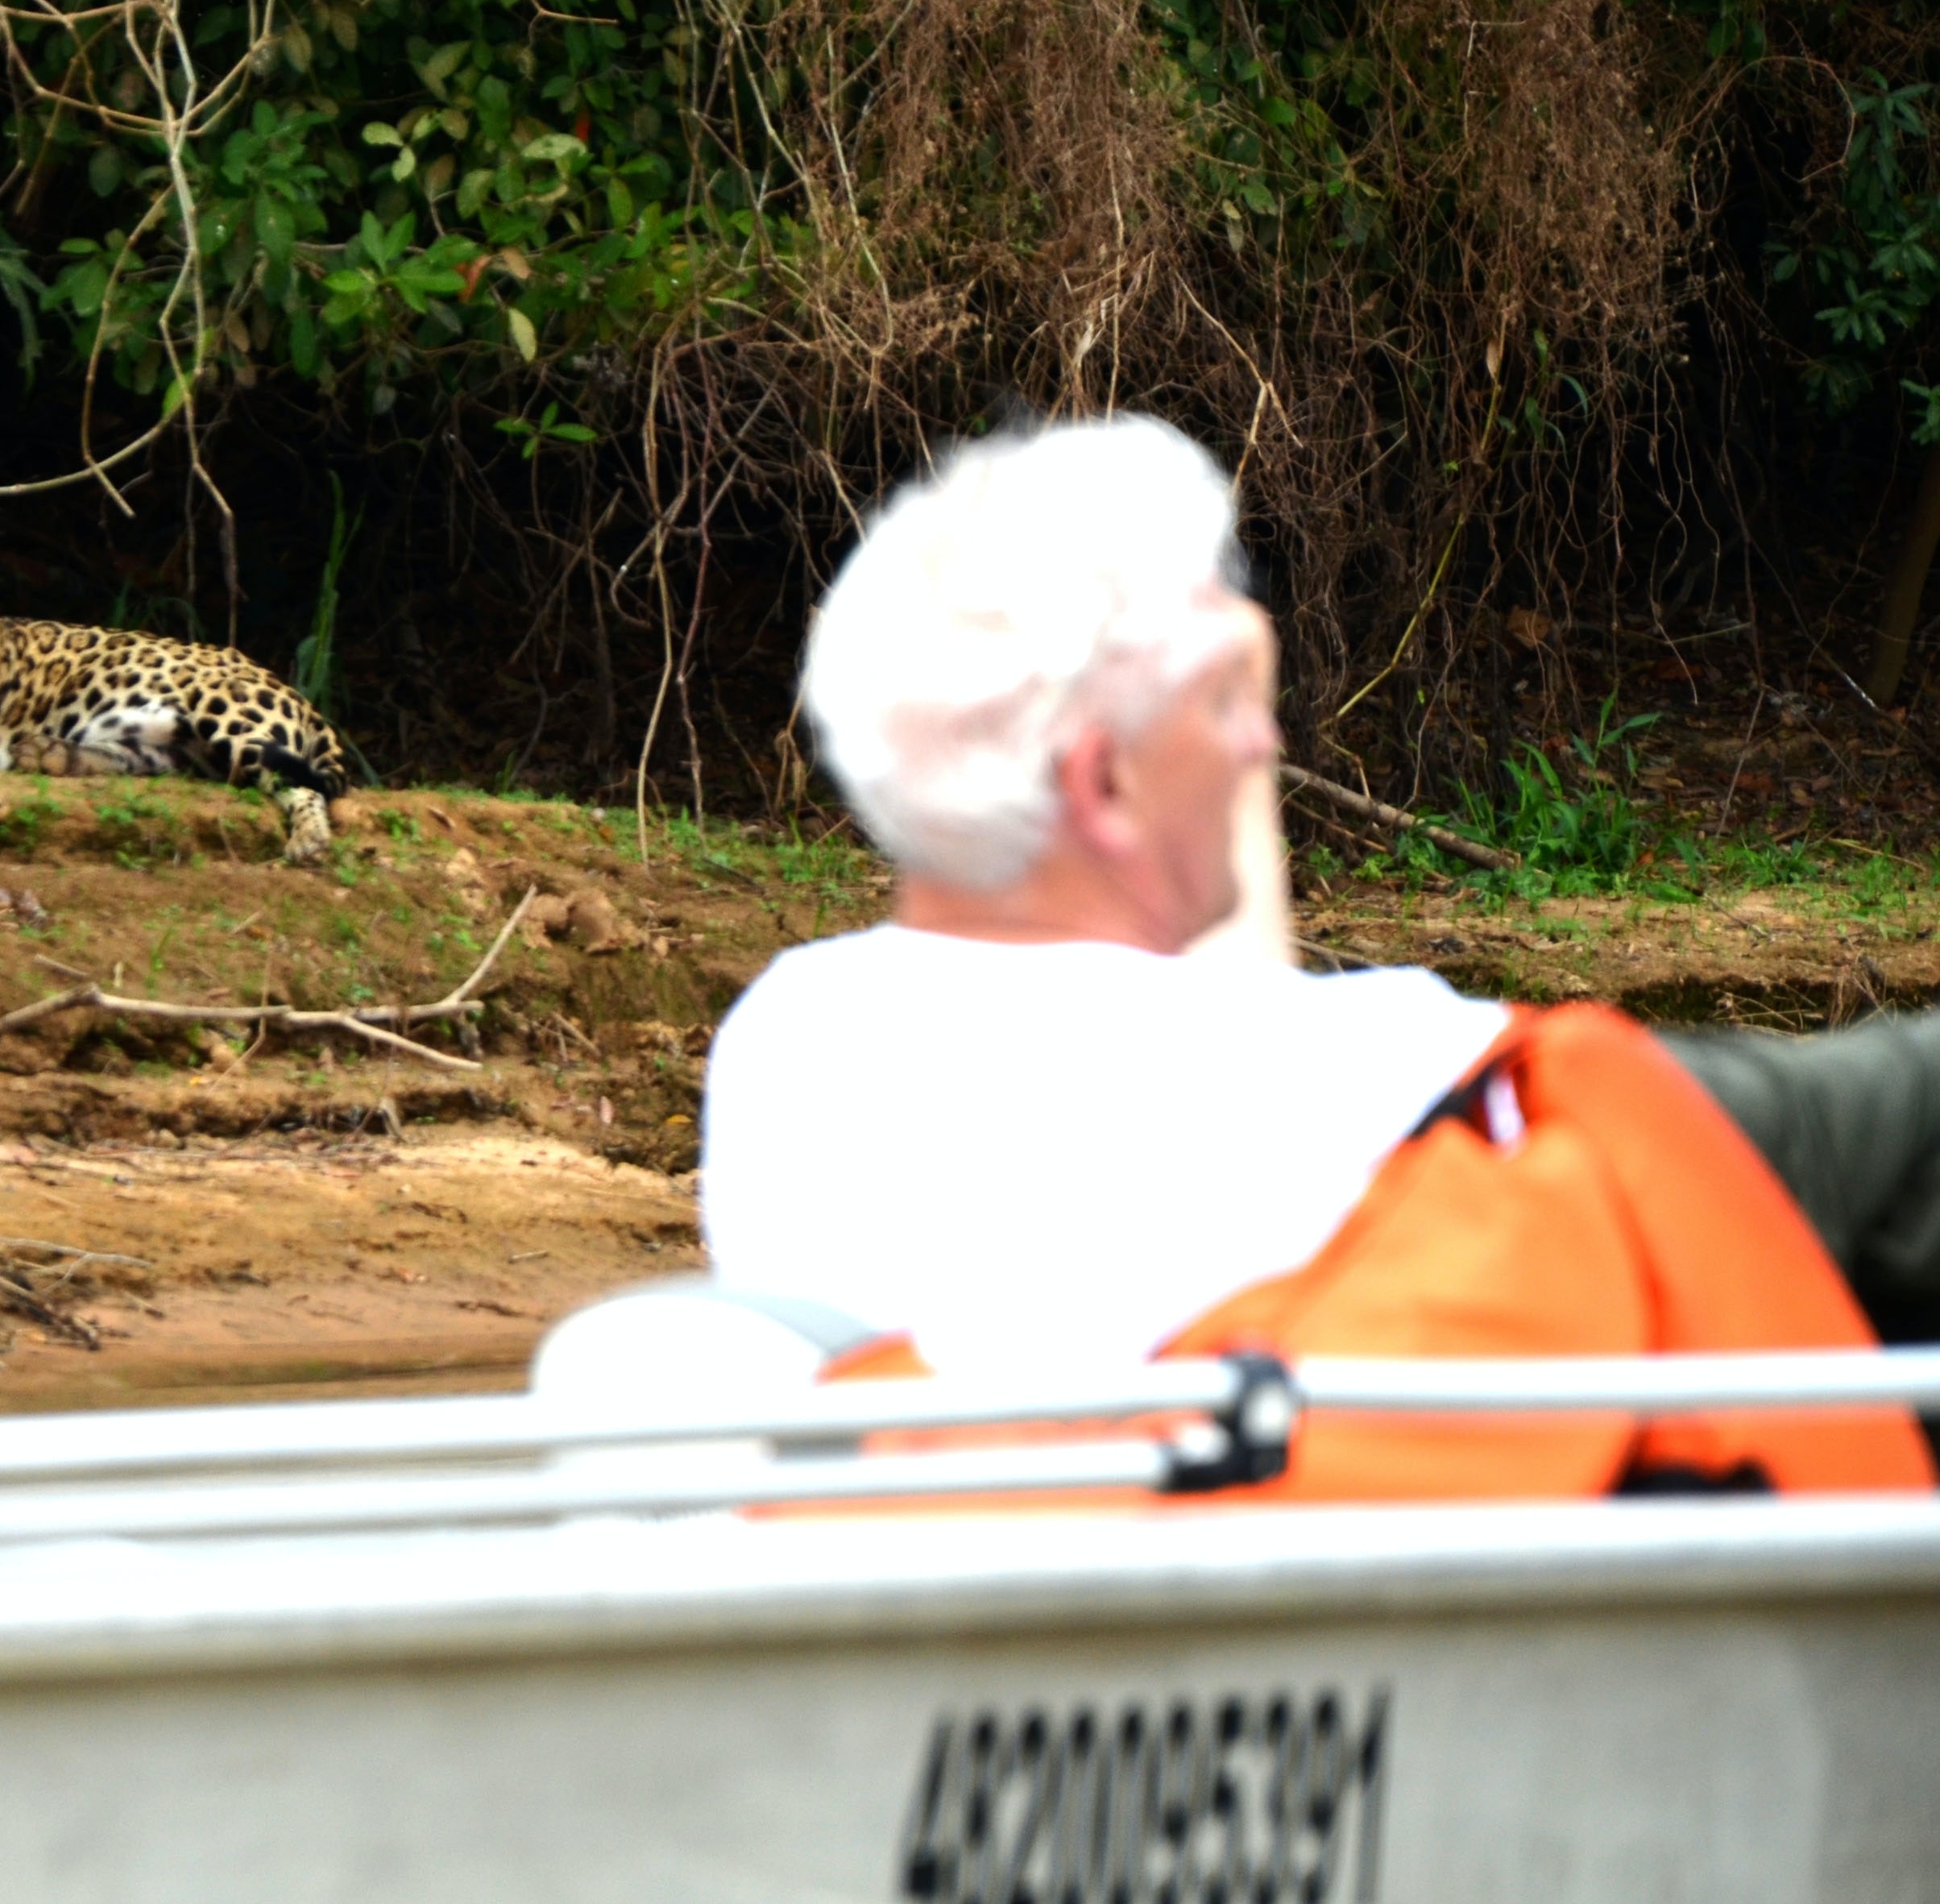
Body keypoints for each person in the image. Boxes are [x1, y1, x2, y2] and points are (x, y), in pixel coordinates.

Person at [698, 414, 1938, 1493]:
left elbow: (1203, 1001)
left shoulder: (788, 1039)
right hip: (1475, 1306)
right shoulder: (1322, 1081)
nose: (1265, 748)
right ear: (1106, 785)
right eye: (1234, 703)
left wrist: (1185, 673)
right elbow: (1252, 1048)